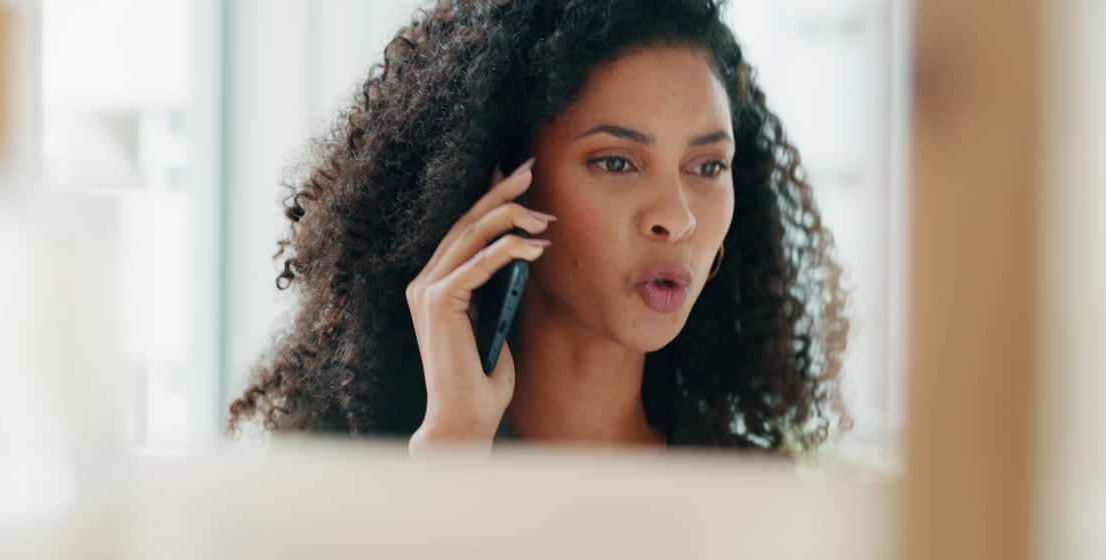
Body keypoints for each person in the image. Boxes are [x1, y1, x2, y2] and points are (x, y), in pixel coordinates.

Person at [228, 0, 851, 454]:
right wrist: (453, 449)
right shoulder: (369, 481)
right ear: (504, 182)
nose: (679, 217)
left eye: (708, 165)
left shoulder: (753, 493)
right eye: (617, 162)